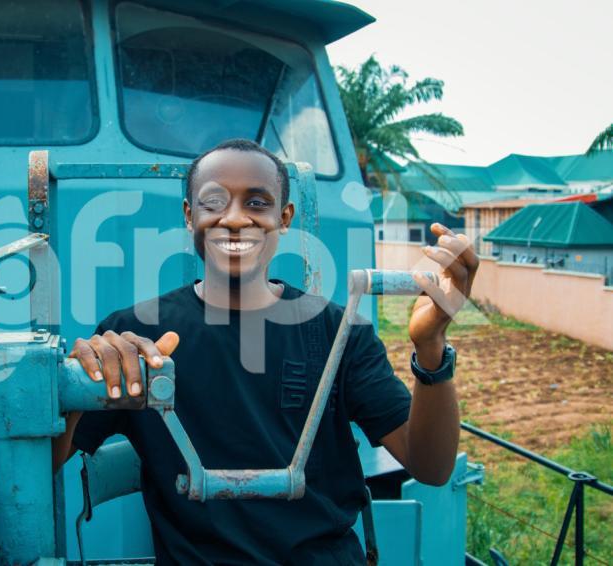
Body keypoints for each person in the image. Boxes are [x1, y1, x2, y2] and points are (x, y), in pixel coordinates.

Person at [52, 138, 478, 565]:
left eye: (257, 203)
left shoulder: (338, 332)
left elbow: (432, 466)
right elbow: (45, 462)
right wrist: (73, 386)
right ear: (189, 216)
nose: (235, 219)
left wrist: (431, 347)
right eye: (214, 202)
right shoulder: (134, 336)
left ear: (284, 217)